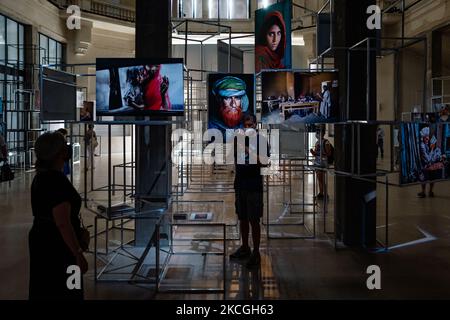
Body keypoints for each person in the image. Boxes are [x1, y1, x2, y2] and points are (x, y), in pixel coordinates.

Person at [29, 132, 88, 300]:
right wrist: (78, 253)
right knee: (72, 289)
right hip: (61, 246)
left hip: (42, 240)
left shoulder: (41, 177)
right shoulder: (56, 181)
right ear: (58, 153)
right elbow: (63, 223)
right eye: (64, 145)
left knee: (45, 287)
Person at [230, 114, 269, 268]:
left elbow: (264, 163)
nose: (248, 128)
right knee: (243, 218)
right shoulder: (239, 140)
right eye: (245, 125)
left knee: (254, 220)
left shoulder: (261, 141)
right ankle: (245, 247)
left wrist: (247, 149)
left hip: (254, 186)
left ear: (255, 125)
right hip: (240, 184)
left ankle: (256, 252)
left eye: (251, 125)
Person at [417, 127, 446, 198]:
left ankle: (430, 191)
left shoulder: (426, 144)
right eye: (425, 137)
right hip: (425, 165)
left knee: (432, 177)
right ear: (422, 138)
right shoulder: (422, 146)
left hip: (430, 165)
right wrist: (433, 149)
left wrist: (438, 153)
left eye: (427, 137)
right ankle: (423, 192)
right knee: (424, 178)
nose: (427, 138)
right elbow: (428, 159)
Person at [310, 128, 333, 200]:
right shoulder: (317, 142)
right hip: (317, 162)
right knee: (319, 179)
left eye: (318, 133)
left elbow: (329, 153)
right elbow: (316, 153)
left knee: (322, 179)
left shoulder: (326, 142)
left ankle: (325, 194)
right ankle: (321, 193)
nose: (317, 134)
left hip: (323, 163)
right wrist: (313, 153)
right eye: (316, 133)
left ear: (322, 134)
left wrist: (320, 154)